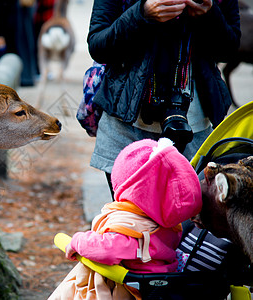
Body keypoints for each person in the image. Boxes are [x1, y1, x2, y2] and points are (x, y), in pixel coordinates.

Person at [88, 0, 241, 195]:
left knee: (185, 220)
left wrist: (209, 15)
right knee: (131, 221)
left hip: (194, 130)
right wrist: (142, 13)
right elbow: (98, 45)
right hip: (127, 128)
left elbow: (229, 49)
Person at [49, 138, 202, 299]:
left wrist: (77, 241)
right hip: (159, 283)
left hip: (133, 289)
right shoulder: (168, 222)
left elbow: (108, 249)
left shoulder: (134, 228)